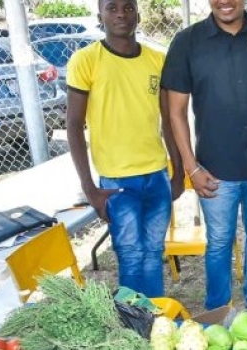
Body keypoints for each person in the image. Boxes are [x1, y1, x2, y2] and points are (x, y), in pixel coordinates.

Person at [161, 0, 247, 311]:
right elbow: (175, 112)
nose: (225, 2)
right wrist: (191, 167)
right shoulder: (187, 41)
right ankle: (218, 308)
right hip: (214, 167)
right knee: (219, 242)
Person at [66, 0, 183, 298]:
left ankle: (154, 321)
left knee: (153, 253)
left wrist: (178, 171)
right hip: (117, 183)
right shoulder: (86, 60)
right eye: (112, 7)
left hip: (156, 176)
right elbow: (74, 126)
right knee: (130, 256)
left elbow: (169, 120)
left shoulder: (158, 60)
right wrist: (90, 189)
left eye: (128, 7)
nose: (121, 13)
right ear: (99, 16)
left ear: (138, 15)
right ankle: (133, 326)